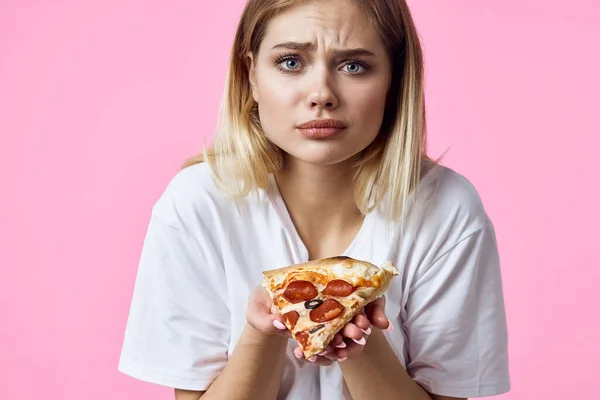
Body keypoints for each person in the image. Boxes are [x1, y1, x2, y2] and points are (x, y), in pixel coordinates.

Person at [117, 0, 511, 399]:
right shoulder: (196, 203)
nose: (321, 94)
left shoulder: (447, 210)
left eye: (354, 66)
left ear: (394, 80)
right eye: (290, 62)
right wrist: (263, 329)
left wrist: (357, 341)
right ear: (251, 74)